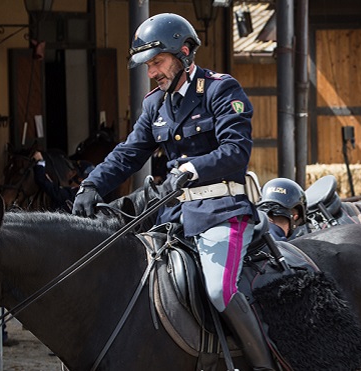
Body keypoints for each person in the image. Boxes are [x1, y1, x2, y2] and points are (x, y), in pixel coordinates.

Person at [70, 13, 274, 370]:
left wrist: (193, 167)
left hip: (221, 210)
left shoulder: (219, 89)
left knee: (217, 290)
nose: (152, 72)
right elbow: (129, 153)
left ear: (184, 54)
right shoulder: (155, 104)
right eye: (149, 65)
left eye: (158, 62)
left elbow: (236, 149)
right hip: (173, 216)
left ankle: (262, 364)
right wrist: (92, 185)